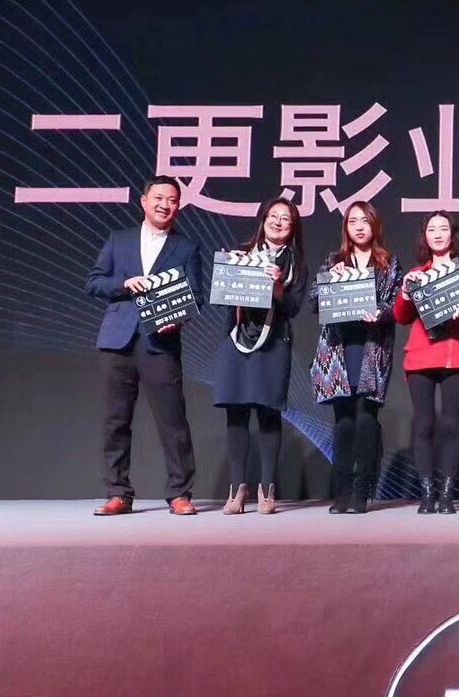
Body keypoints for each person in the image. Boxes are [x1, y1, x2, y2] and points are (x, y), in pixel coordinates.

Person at [86, 176, 205, 516]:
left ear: (179, 206)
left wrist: (178, 319)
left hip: (160, 342)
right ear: (144, 201)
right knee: (116, 420)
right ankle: (118, 493)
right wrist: (124, 284)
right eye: (159, 198)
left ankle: (180, 493)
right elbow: (94, 282)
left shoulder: (186, 247)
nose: (165, 205)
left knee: (172, 420)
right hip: (117, 340)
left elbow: (196, 296)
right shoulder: (119, 239)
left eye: (172, 200)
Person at [212, 194, 306, 515]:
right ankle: (237, 489)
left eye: (286, 219)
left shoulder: (295, 264)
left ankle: (267, 488)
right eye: (273, 216)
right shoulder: (240, 253)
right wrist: (230, 270)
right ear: (263, 220)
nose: (278, 222)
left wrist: (277, 286)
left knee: (268, 413)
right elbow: (224, 296)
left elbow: (293, 308)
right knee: (236, 412)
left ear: (293, 228)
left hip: (274, 343)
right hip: (236, 340)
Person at [393, 211, 459, 513]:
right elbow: (402, 317)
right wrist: (406, 292)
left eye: (443, 228)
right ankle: (426, 494)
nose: (437, 234)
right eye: (431, 229)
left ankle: (447, 494)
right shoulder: (416, 274)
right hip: (421, 356)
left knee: (450, 425)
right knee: (423, 424)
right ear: (424, 237)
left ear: (452, 234)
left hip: (455, 354)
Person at [309, 201, 400, 514]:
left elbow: (395, 304)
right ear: (346, 228)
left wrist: (381, 312)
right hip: (339, 348)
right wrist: (330, 280)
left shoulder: (388, 263)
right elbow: (314, 302)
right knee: (344, 421)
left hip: (372, 348)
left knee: (366, 419)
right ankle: (342, 490)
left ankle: (362, 491)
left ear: (375, 225)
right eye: (353, 221)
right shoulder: (334, 261)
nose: (359, 227)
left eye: (365, 221)